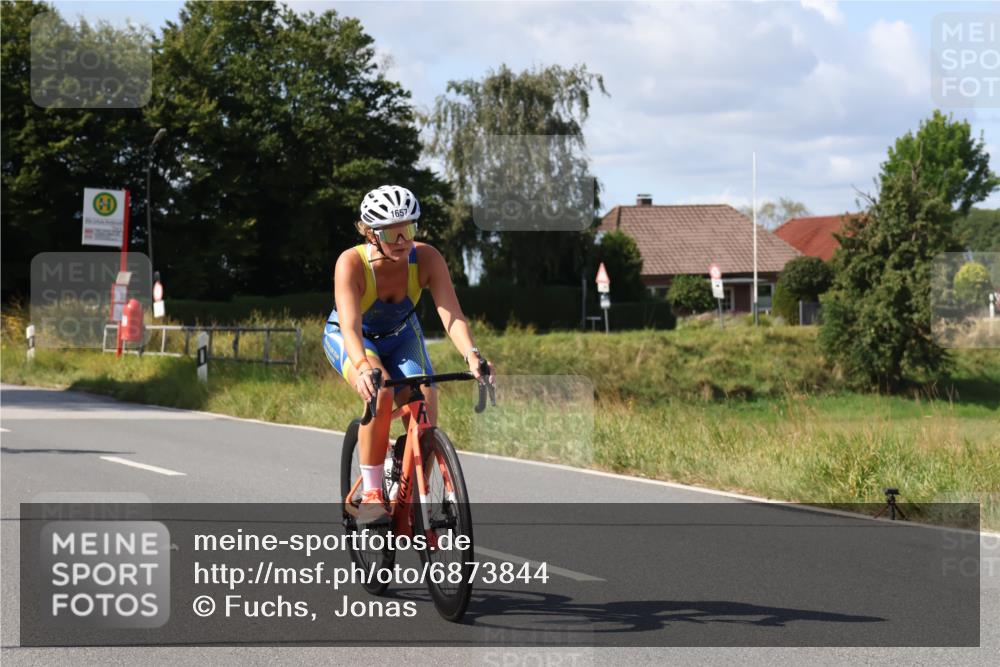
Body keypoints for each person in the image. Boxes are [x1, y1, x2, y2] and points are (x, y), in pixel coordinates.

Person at [324, 185, 495, 522]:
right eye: (392, 233)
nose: (402, 240)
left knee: (426, 397)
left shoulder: (427, 258)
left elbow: (452, 314)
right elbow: (350, 327)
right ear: (371, 233)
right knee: (381, 391)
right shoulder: (351, 263)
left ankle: (415, 491)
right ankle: (372, 493)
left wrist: (473, 355)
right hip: (355, 338)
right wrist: (362, 367)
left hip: (402, 335)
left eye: (409, 229)